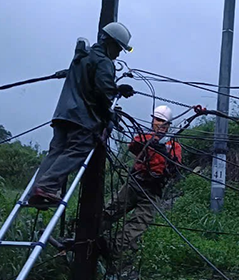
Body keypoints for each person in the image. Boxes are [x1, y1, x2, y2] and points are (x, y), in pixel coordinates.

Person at [28, 22, 135, 209]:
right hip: (82, 118)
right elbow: (103, 92)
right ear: (109, 42)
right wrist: (109, 114)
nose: (118, 54)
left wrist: (116, 88)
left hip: (63, 114)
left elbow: (87, 82)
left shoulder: (82, 57)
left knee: (56, 151)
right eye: (118, 48)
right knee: (78, 149)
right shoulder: (104, 62)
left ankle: (37, 191)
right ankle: (47, 187)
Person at [103, 105, 183, 254]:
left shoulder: (173, 146)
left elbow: (175, 166)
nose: (159, 124)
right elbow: (133, 146)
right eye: (157, 120)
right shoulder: (145, 137)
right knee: (112, 209)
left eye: (163, 122)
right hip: (135, 183)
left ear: (168, 125)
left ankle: (112, 247)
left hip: (153, 190)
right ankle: (87, 234)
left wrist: (164, 151)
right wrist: (151, 142)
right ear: (153, 121)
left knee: (141, 221)